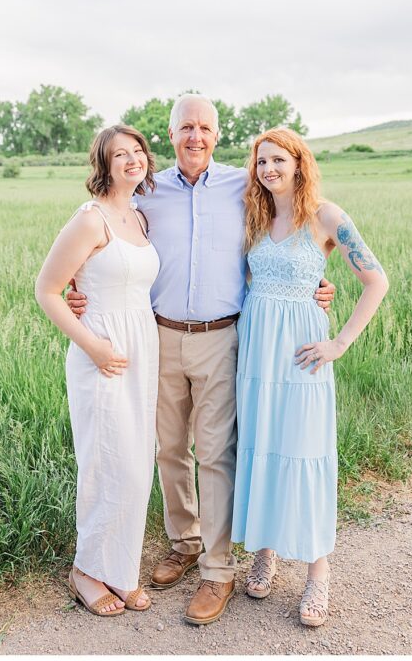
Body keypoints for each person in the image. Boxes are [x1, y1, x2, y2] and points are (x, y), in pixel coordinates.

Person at [66, 95, 335, 625]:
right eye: (185, 127)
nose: (195, 136)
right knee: (167, 447)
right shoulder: (148, 189)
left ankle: (217, 569)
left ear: (217, 134)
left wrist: (315, 287)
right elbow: (105, 237)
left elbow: (298, 224)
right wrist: (81, 292)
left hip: (222, 336)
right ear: (170, 134)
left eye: (204, 127)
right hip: (159, 335)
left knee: (215, 452)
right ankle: (183, 540)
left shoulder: (245, 184)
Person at [232, 128, 389, 627]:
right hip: (258, 350)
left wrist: (339, 343)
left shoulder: (326, 216)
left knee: (303, 450)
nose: (269, 169)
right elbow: (250, 278)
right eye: (261, 162)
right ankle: (267, 548)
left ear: (300, 164)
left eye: (278, 160)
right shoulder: (255, 215)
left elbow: (376, 280)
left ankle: (318, 572)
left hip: (303, 352)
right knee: (263, 446)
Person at [36, 125, 159, 616]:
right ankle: (86, 570)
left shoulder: (138, 216)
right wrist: (94, 346)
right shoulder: (91, 220)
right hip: (100, 354)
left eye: (138, 151)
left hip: (141, 350)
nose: (132, 160)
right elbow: (47, 290)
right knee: (106, 461)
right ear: (104, 166)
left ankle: (121, 571)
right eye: (120, 155)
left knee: (135, 463)